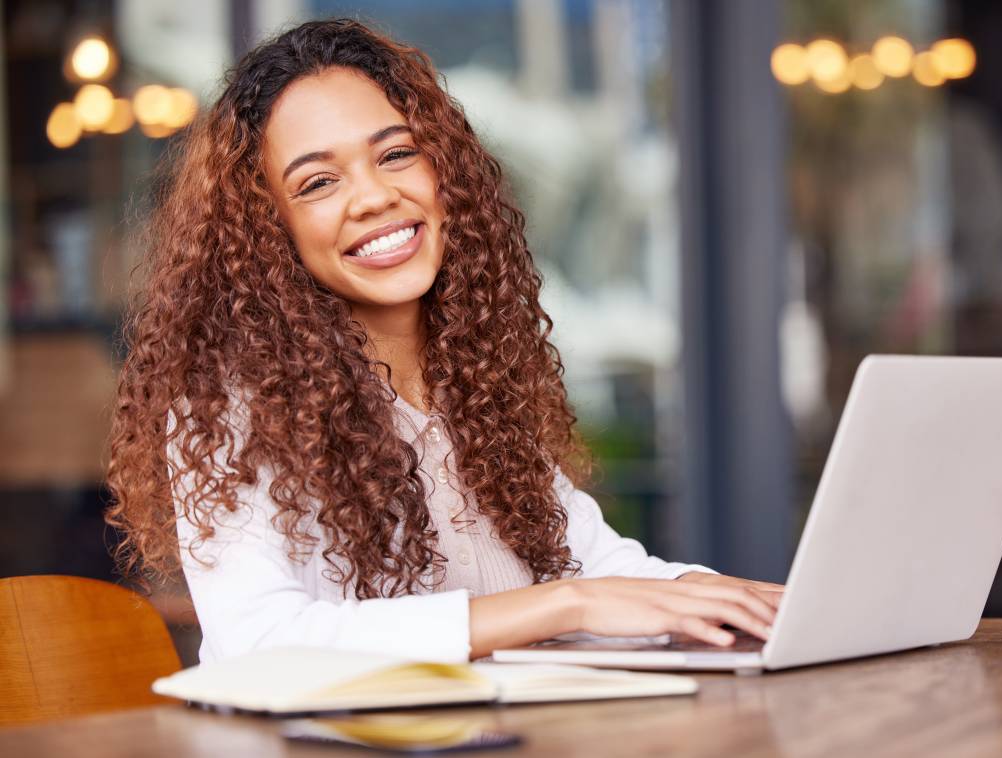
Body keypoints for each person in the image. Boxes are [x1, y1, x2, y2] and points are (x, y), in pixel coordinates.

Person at [105, 18, 783, 664]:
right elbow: (264, 643)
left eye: (396, 154)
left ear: (444, 175)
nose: (374, 196)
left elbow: (599, 566)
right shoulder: (228, 408)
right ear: (267, 228)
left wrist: (754, 603)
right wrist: (567, 606)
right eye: (317, 182)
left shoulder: (471, 385)